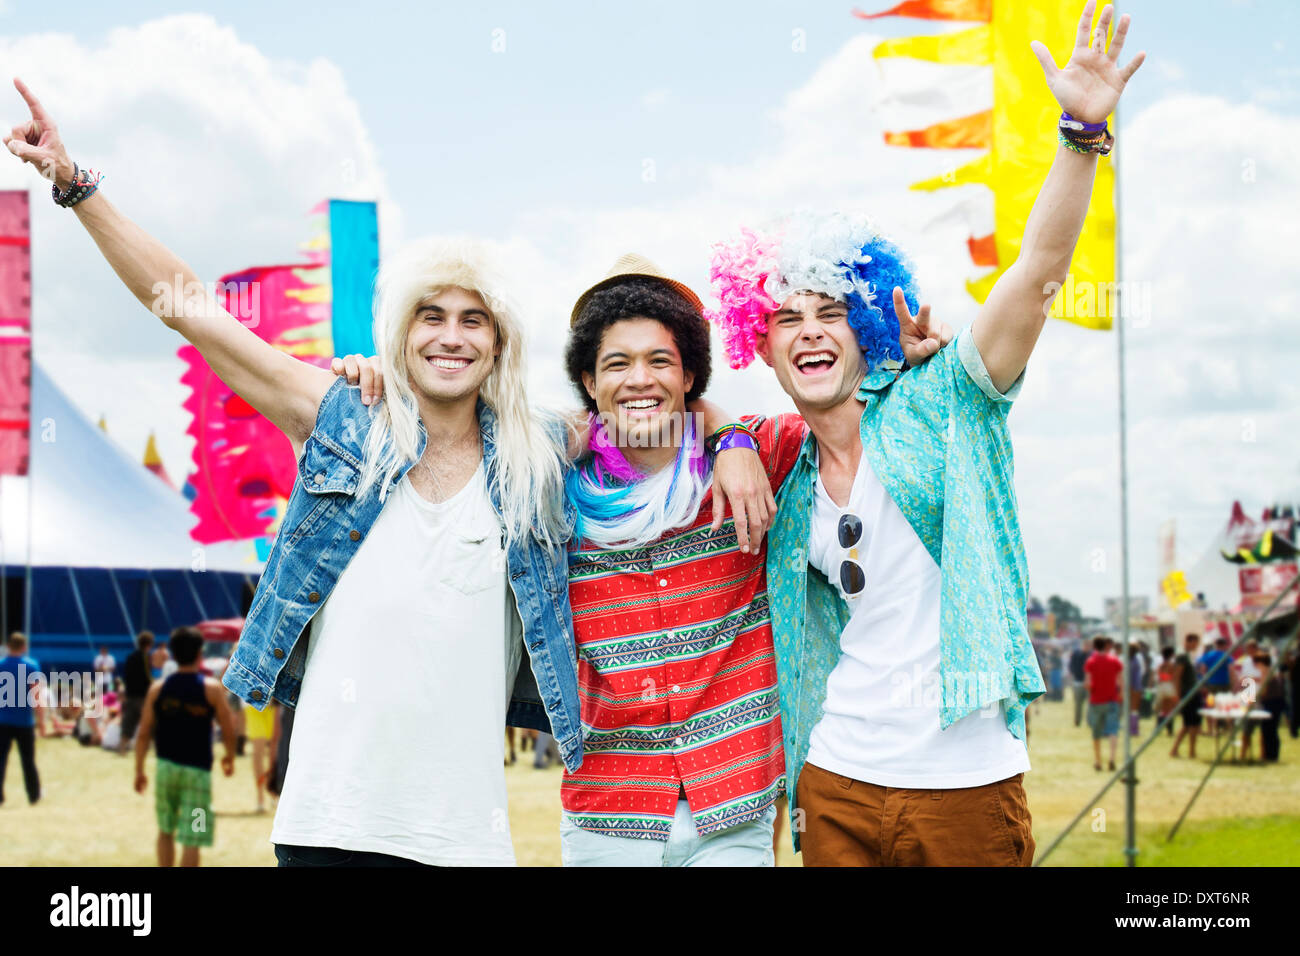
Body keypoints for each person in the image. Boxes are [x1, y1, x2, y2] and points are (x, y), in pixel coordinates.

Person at [4, 75, 774, 867]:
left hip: (468, 839)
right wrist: (75, 185)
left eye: (473, 318)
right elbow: (189, 309)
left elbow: (645, 401)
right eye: (430, 316)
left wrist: (736, 440)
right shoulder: (339, 416)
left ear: (499, 341)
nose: (451, 336)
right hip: (328, 827)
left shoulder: (535, 449)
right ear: (400, 334)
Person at [703, 0, 1142, 866]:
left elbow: (1037, 272)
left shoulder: (946, 399)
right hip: (832, 777)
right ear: (761, 340)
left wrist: (1082, 133)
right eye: (788, 318)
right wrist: (729, 437)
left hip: (966, 783)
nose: (812, 331)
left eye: (833, 310)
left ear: (868, 322)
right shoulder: (781, 462)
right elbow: (660, 408)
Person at [133, 627, 236, 867]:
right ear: (200, 654)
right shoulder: (211, 689)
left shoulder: (158, 689)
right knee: (194, 837)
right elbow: (228, 728)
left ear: (173, 654)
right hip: (198, 774)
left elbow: (144, 733)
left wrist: (139, 769)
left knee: (165, 830)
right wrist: (229, 756)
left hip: (166, 770)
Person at [0, 632, 42, 805]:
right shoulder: (31, 666)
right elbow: (36, 696)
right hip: (24, 722)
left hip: (2, 721)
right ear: (24, 647)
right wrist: (41, 720)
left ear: (8, 646)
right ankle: (33, 795)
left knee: (1, 759)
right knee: (28, 760)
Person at [1084, 636, 1123, 771]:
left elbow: (1088, 683)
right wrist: (1120, 694)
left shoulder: (1091, 662)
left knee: (1096, 732)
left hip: (1096, 701)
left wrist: (1091, 689)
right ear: (1106, 646)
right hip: (1112, 700)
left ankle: (1098, 760)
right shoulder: (1114, 661)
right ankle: (1112, 758)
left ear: (1095, 647)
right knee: (1113, 730)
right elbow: (1120, 681)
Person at [118, 631, 154, 754]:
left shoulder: (130, 657)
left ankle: (122, 748)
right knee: (151, 721)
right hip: (142, 696)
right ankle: (153, 748)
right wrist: (154, 684)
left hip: (130, 695)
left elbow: (126, 676)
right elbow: (147, 676)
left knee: (129, 722)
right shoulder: (145, 656)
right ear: (148, 644)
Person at [1170, 633, 1202, 758]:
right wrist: (1177, 696)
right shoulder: (1182, 656)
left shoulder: (1188, 656)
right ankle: (1191, 751)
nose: (1197, 646)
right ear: (1190, 642)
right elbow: (1177, 676)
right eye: (1195, 643)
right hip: (1187, 694)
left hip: (1193, 692)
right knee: (1191, 723)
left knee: (1190, 724)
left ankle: (1176, 749)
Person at [244, 699, 276, 813]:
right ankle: (260, 798)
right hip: (253, 702)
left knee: (276, 753)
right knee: (258, 754)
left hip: (276, 704)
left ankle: (275, 792)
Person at [1155, 645, 1178, 735]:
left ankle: (1159, 727)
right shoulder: (1171, 665)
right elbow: (1173, 676)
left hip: (1161, 687)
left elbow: (1159, 676)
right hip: (1169, 686)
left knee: (1164, 709)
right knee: (1169, 709)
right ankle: (1169, 729)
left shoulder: (1161, 665)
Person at [1068, 638, 1091, 727]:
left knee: (1090, 704)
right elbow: (1071, 666)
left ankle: (1089, 722)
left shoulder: (1091, 655)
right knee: (1078, 704)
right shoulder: (1076, 654)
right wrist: (1074, 674)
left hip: (1088, 683)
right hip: (1078, 682)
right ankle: (1077, 722)